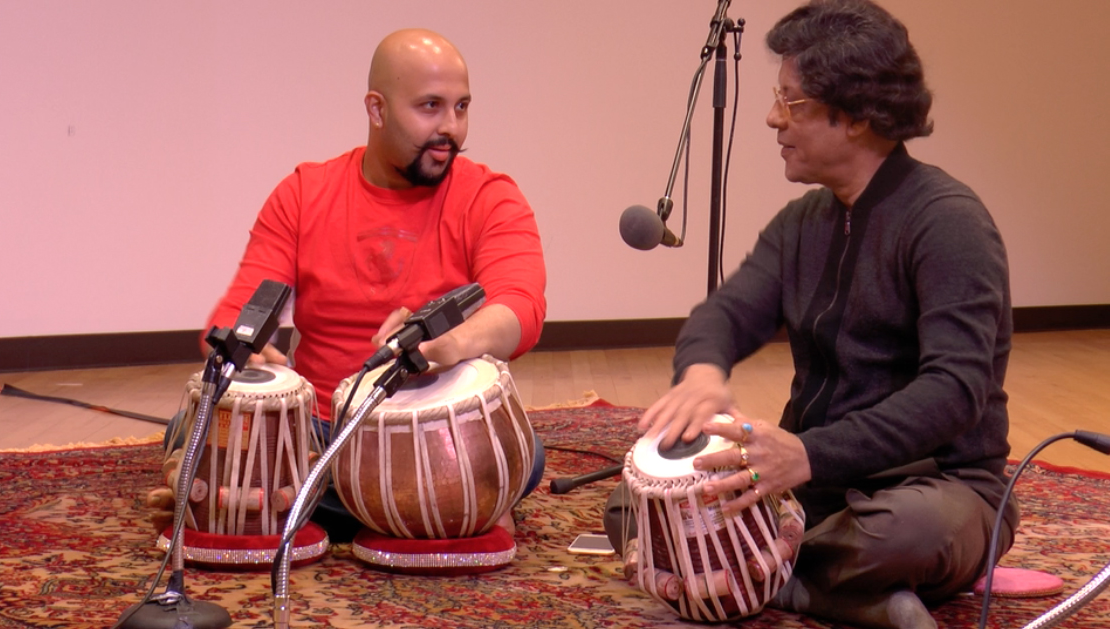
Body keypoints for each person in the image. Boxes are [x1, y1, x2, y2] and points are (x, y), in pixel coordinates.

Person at [603, 2, 1018, 628]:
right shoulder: (803, 223)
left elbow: (954, 392)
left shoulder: (949, 222)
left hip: (939, 489)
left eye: (791, 103)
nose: (773, 119)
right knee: (632, 506)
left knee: (907, 535)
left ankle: (761, 578)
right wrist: (701, 373)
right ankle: (841, 597)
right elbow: (725, 315)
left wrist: (807, 453)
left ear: (855, 116)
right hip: (811, 491)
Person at [153, 28, 547, 540]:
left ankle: (281, 497)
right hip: (316, 427)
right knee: (200, 415)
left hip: (433, 434)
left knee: (524, 456)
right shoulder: (304, 193)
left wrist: (451, 341)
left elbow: (521, 307)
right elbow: (238, 309)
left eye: (462, 107)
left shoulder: (491, 197)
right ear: (377, 109)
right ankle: (401, 505)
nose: (450, 127)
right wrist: (243, 352)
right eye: (430, 106)